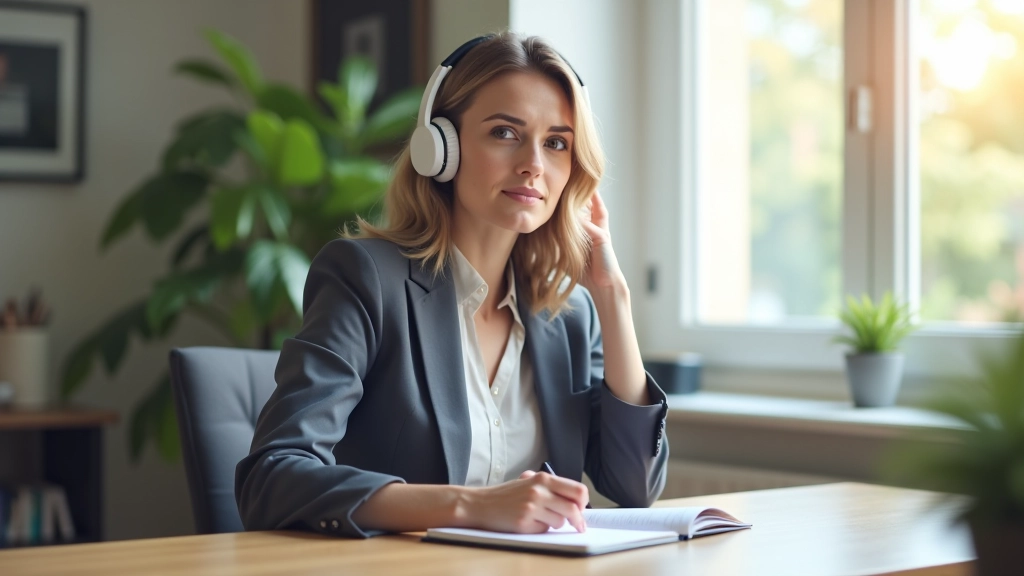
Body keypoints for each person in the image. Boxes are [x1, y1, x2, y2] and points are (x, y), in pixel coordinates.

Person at [235, 32, 669, 539]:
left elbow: (636, 484)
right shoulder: (365, 278)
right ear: (439, 147)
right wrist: (471, 506)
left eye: (556, 143)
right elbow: (273, 476)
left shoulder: (572, 314)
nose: (533, 162)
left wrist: (613, 296)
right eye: (505, 133)